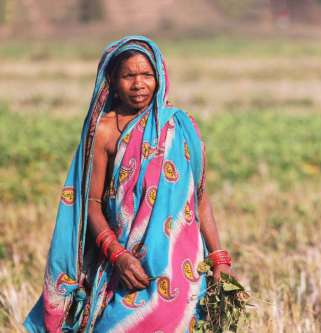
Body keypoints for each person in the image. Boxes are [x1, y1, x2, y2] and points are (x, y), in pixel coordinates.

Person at [24, 35, 233, 333]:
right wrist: (117, 256)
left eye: (147, 75)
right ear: (112, 79)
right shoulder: (105, 130)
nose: (138, 84)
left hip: (180, 268)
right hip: (126, 268)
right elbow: (91, 204)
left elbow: (198, 196)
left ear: (160, 76)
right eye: (128, 76)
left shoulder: (180, 125)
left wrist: (218, 258)